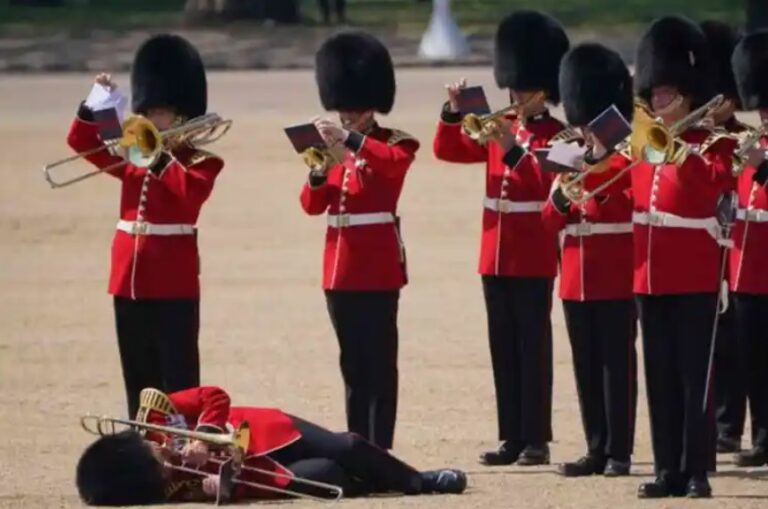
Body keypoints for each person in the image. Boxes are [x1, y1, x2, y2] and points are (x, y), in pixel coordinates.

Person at [433, 10, 569, 466]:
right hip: (495, 250)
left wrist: (511, 148)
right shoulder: (498, 125)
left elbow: (542, 185)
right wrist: (454, 114)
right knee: (503, 346)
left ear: (546, 91)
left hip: (533, 252)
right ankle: (511, 435)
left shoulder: (561, 135)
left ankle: (537, 437)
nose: (516, 96)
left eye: (525, 89)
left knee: (533, 347)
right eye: (513, 87)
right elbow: (449, 151)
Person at [65, 34, 224, 418]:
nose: (152, 119)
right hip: (128, 277)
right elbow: (81, 143)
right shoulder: (134, 156)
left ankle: (181, 450)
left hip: (172, 281)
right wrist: (94, 102)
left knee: (178, 377)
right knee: (137, 374)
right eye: (148, 111)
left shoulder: (201, 161)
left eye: (161, 113)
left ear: (181, 116)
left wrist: (155, 158)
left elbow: (188, 196)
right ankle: (143, 447)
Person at [299, 31, 419, 450]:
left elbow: (388, 167)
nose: (347, 116)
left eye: (354, 110)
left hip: (378, 265)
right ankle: (357, 443)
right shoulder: (333, 148)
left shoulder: (395, 143)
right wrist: (318, 171)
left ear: (373, 106)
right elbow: (312, 206)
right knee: (352, 362)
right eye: (344, 110)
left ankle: (379, 445)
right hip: (340, 267)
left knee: (380, 364)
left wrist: (350, 140)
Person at [631, 16, 735, 498]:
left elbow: (706, 190)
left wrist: (680, 151)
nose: (656, 102)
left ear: (687, 97)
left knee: (695, 377)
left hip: (693, 271)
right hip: (649, 274)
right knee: (660, 376)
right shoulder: (644, 147)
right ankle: (667, 468)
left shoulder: (714, 145)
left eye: (665, 94)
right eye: (654, 94)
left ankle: (697, 470)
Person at [75, 386, 467, 505]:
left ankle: (419, 481)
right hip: (259, 471)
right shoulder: (171, 487)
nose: (166, 462)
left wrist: (206, 434)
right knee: (329, 475)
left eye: (156, 458)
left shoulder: (155, 415)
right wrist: (220, 489)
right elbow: (229, 490)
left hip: (264, 429)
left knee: (345, 445)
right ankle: (381, 481)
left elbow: (212, 396)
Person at [542, 43, 637, 478]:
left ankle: (620, 451)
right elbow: (547, 220)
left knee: (617, 366)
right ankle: (595, 447)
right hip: (575, 276)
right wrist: (563, 194)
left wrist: (598, 167)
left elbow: (622, 209)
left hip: (615, 274)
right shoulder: (566, 152)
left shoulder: (629, 159)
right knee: (585, 367)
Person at [700, 20, 749, 456]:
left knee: (737, 337)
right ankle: (717, 420)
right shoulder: (694, 139)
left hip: (740, 247)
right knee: (709, 336)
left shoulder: (741, 139)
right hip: (698, 245)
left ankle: (731, 423)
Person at [729, 29, 768, 468]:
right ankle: (762, 437)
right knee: (754, 359)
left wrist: (762, 170)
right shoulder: (751, 144)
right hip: (747, 263)